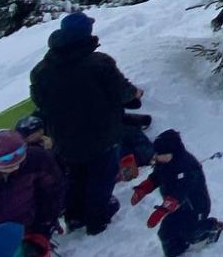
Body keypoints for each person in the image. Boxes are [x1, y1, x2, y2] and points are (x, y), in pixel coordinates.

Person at [29, 12, 140, 235]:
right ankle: (97, 219)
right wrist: (134, 93)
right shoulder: (99, 63)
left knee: (75, 175)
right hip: (101, 133)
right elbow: (122, 92)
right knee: (101, 175)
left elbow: (39, 101)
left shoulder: (42, 70)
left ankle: (74, 216)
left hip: (63, 135)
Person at [130, 130, 223, 257]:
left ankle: (212, 227)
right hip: (177, 209)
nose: (157, 157)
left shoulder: (187, 166)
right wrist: (143, 188)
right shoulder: (164, 163)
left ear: (171, 152)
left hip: (195, 207)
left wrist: (162, 210)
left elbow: (180, 192)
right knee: (166, 233)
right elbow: (156, 177)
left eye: (160, 154)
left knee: (190, 232)